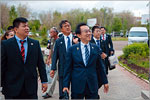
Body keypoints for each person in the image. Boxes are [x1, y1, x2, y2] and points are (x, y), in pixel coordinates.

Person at [1, 17, 48, 99]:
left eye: (27, 26)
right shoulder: (6, 45)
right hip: (12, 87)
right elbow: (2, 65)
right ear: (16, 29)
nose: (27, 28)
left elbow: (40, 64)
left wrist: (44, 81)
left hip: (30, 87)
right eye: (24, 26)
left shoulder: (35, 44)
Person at [63, 23, 109, 99]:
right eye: (86, 31)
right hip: (77, 85)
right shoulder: (72, 50)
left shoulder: (95, 48)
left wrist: (105, 81)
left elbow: (100, 67)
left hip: (92, 84)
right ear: (79, 35)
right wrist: (65, 85)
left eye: (89, 31)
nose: (89, 33)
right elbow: (68, 69)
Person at [50, 20, 78, 99]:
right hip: (63, 69)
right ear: (61, 29)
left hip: (76, 69)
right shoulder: (59, 41)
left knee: (76, 91)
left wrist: (77, 44)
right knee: (63, 92)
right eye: (65, 26)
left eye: (69, 25)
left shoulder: (77, 39)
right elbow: (55, 55)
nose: (67, 27)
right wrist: (53, 68)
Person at [42, 27, 59, 99]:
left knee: (55, 76)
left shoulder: (59, 40)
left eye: (51, 32)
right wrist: (48, 59)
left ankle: (49, 92)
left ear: (55, 33)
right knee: (58, 77)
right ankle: (67, 87)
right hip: (54, 60)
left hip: (59, 60)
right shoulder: (51, 40)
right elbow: (51, 51)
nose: (50, 33)